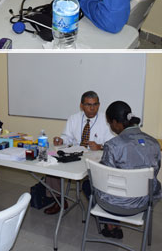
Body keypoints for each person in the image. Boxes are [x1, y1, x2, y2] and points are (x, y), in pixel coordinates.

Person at [87, 101, 161, 239]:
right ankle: (114, 225)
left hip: (114, 205)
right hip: (145, 203)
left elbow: (105, 178)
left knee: (88, 184)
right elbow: (154, 172)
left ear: (116, 122)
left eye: (109, 123)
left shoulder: (113, 145)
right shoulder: (154, 143)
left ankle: (110, 225)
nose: (110, 127)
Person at [43, 90, 115, 215]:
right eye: (88, 105)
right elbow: (67, 137)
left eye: (95, 104)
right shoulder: (74, 118)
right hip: (75, 154)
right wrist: (61, 140)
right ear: (82, 106)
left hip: (95, 158)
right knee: (52, 166)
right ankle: (59, 200)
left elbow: (112, 144)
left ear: (99, 105)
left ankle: (103, 207)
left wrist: (100, 146)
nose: (92, 108)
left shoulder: (106, 120)